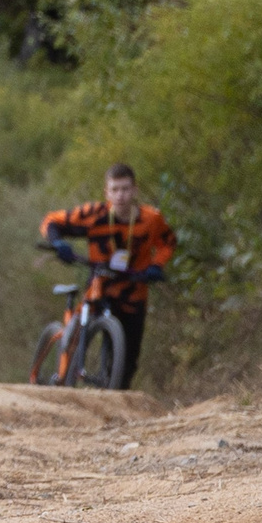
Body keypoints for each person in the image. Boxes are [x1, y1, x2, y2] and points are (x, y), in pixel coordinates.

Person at [42, 162, 176, 389]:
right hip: (100, 286)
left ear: (135, 190)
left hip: (134, 291)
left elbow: (168, 242)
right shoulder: (94, 215)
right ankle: (62, 379)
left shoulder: (151, 219)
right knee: (74, 335)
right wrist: (58, 243)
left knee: (129, 359)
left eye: (125, 189)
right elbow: (51, 221)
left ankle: (115, 398)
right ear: (107, 192)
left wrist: (157, 265)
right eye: (115, 189)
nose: (120, 195)